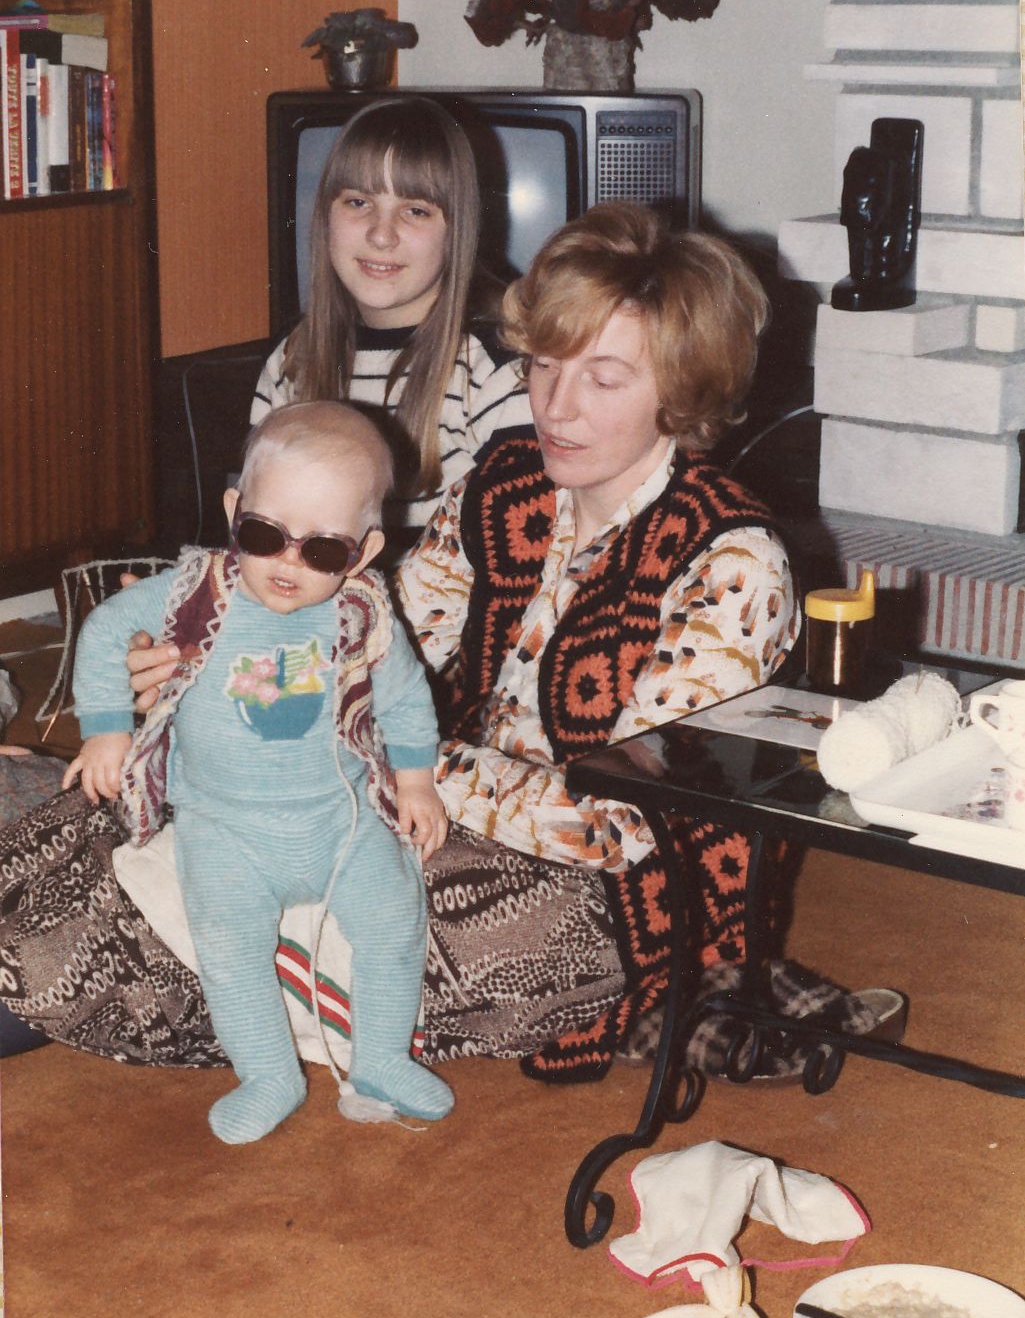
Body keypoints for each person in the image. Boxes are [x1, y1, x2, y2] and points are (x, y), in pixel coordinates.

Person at [0, 203, 901, 1075]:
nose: (557, 406)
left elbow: (628, 825)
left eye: (604, 378)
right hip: (421, 803)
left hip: (600, 890)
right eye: (544, 364)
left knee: (334, 908)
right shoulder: (502, 485)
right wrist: (212, 668)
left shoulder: (733, 561)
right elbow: (372, 650)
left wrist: (396, 767)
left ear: (682, 389)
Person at [57, 401, 453, 1140]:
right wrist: (107, 728)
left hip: (339, 818)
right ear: (234, 513)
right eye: (265, 536)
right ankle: (269, 1072)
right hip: (224, 825)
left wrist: (415, 781)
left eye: (322, 550)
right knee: (230, 947)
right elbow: (107, 629)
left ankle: (380, 1057)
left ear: (364, 552)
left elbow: (404, 699)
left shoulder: (363, 615)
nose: (287, 563)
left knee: (394, 920)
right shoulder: (194, 589)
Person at [250, 94, 533, 539]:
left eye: (416, 210)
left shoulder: (494, 371)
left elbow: (516, 552)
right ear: (325, 215)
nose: (381, 235)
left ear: (457, 231)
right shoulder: (293, 360)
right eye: (358, 202)